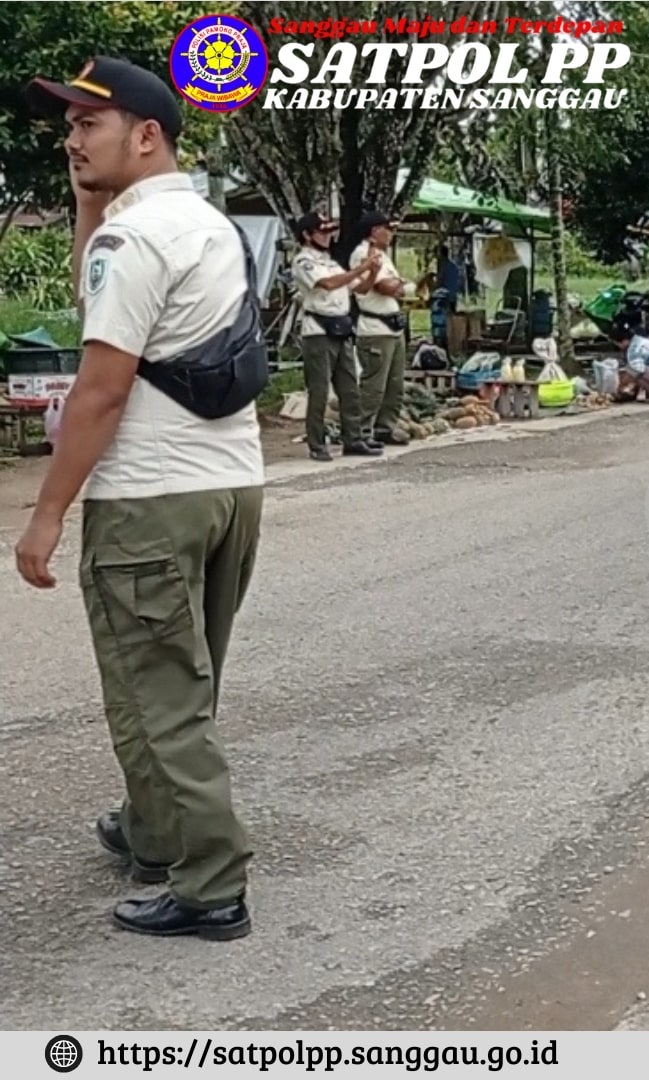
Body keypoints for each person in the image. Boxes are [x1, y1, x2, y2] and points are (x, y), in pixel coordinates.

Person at [15, 56, 265, 940]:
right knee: (181, 686)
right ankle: (157, 829)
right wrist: (88, 200)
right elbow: (109, 310)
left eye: (89, 124)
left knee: (155, 695)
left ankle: (210, 885)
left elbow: (99, 385)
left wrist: (46, 512)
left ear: (146, 134)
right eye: (69, 126)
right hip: (230, 486)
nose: (72, 139)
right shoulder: (206, 225)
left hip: (148, 497)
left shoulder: (134, 241)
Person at [292, 211, 383, 461]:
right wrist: (362, 268)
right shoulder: (303, 261)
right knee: (319, 392)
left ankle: (353, 439)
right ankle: (317, 443)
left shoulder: (332, 263)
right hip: (318, 331)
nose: (328, 236)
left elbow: (360, 289)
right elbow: (328, 284)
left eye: (329, 231)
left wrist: (372, 271)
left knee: (350, 389)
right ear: (307, 235)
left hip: (341, 328)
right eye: (322, 232)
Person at [349, 211, 411, 446]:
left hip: (392, 327)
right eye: (388, 229)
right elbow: (386, 286)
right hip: (375, 328)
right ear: (375, 231)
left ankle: (385, 427)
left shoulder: (383, 257)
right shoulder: (362, 255)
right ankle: (362, 431)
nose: (391, 233)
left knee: (394, 385)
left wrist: (398, 286)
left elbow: (398, 288)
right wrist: (399, 284)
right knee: (373, 386)